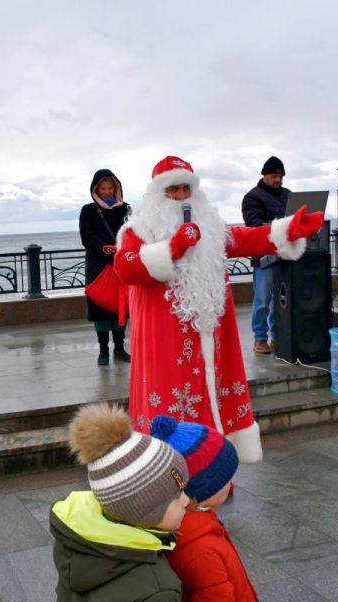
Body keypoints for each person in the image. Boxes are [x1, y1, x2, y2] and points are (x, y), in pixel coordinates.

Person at [114, 156, 323, 462]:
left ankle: (211, 468)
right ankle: (167, 471)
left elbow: (244, 238)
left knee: (213, 397)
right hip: (166, 340)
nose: (182, 195)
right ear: (159, 194)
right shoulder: (139, 230)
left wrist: (287, 230)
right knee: (170, 404)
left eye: (187, 188)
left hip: (210, 334)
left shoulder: (209, 226)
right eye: (174, 189)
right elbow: (125, 267)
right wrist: (173, 248)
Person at [50, 403, 189, 602]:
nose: (186, 500)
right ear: (144, 513)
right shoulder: (155, 589)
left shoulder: (78, 546)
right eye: (176, 498)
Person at [151, 414, 272, 602]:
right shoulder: (201, 549)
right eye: (224, 479)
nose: (230, 484)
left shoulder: (192, 524)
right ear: (199, 489)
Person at [78, 169, 130, 365]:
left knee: (121, 307)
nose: (107, 192)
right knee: (100, 307)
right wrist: (106, 251)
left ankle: (119, 348)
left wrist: (122, 252)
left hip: (122, 265)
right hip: (98, 267)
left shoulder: (126, 208)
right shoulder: (88, 210)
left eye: (110, 188)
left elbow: (132, 232)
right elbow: (87, 236)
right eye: (103, 188)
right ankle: (103, 350)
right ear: (96, 190)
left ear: (116, 188)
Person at [242, 156, 291, 354]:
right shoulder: (252, 197)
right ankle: (260, 338)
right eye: (273, 176)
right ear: (264, 176)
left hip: (286, 253)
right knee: (262, 300)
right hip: (264, 256)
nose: (278, 180)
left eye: (280, 176)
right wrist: (279, 225)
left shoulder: (288, 194)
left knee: (281, 299)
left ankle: (277, 337)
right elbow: (253, 223)